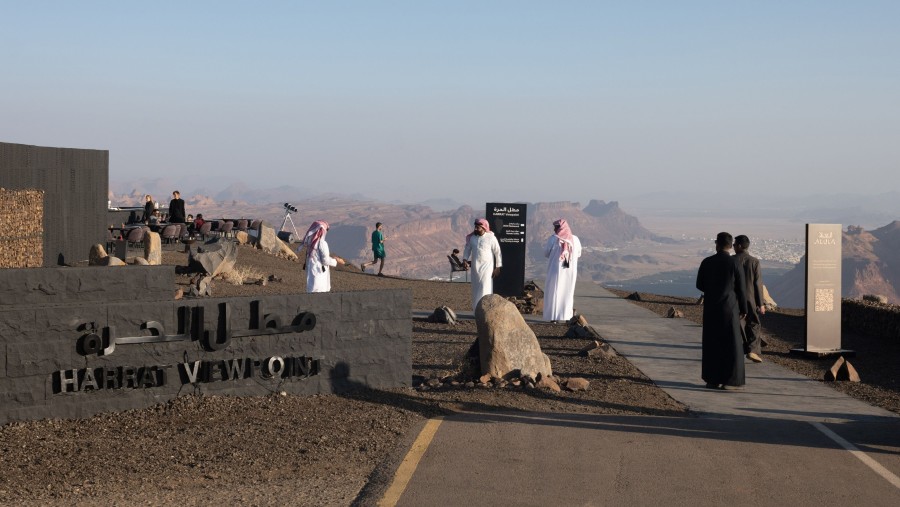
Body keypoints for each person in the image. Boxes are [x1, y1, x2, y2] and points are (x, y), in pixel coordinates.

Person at [696, 232, 748, 390]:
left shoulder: (707, 262)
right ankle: (729, 380)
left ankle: (712, 379)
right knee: (731, 344)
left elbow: (700, 285)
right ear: (731, 246)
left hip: (712, 308)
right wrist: (744, 308)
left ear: (717, 244)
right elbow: (741, 288)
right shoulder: (735, 263)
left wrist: (713, 290)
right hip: (730, 308)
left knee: (712, 343)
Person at [734, 235, 766, 363]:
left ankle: (738, 350)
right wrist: (761, 303)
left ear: (740, 246)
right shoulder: (754, 261)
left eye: (735, 244)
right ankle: (752, 351)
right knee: (753, 323)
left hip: (734, 298)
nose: (733, 246)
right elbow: (758, 284)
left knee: (738, 324)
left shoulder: (732, 260)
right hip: (750, 297)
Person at [543, 218, 582, 322]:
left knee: (554, 292)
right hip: (570, 272)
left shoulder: (553, 239)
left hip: (554, 270)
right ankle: (565, 317)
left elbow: (546, 253)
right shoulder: (575, 239)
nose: (554, 229)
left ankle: (553, 317)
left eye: (556, 227)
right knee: (567, 293)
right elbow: (578, 254)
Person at [462, 218, 502, 312]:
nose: (475, 229)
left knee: (485, 287)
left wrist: (498, 267)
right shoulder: (472, 238)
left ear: (484, 228)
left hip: (487, 267)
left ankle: (485, 311)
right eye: (475, 227)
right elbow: (467, 249)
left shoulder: (491, 238)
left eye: (478, 227)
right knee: (476, 289)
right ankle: (476, 311)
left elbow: (497, 252)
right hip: (475, 268)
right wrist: (464, 260)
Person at [302, 220, 345, 293]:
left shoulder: (310, 241)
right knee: (319, 291)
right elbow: (325, 261)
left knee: (311, 289)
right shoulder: (322, 243)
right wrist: (336, 261)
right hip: (319, 272)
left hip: (311, 269)